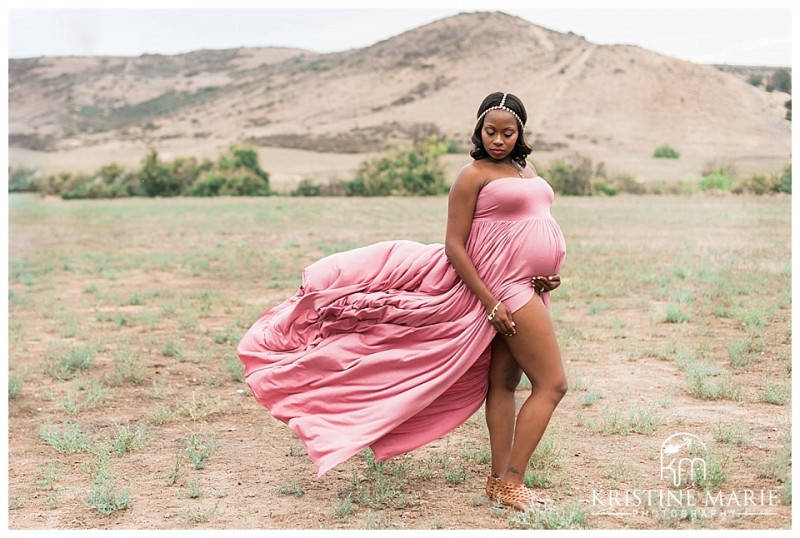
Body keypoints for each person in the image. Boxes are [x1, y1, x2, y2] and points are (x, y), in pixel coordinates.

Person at [236, 91, 567, 511]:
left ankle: (498, 479)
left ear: (520, 132)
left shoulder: (526, 170)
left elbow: (531, 222)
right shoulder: (472, 175)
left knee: (503, 383)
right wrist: (489, 301)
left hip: (530, 285)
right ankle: (514, 483)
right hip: (504, 291)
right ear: (478, 130)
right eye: (490, 131)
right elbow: (454, 246)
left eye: (507, 132)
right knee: (553, 384)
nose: (497, 140)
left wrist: (548, 271)